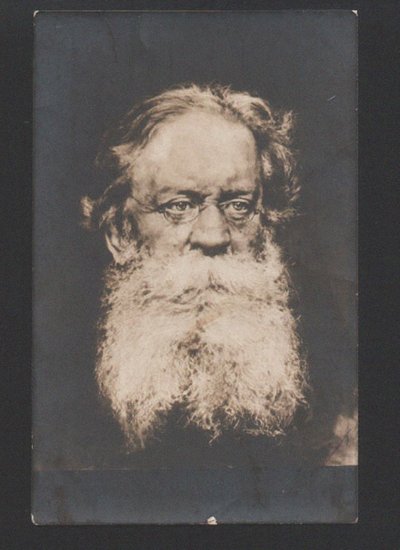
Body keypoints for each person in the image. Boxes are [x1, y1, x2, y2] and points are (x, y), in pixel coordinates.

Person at [81, 83, 357, 467]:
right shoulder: (50, 393)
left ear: (266, 224)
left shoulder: (349, 361)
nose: (213, 236)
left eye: (238, 206)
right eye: (179, 206)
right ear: (120, 233)